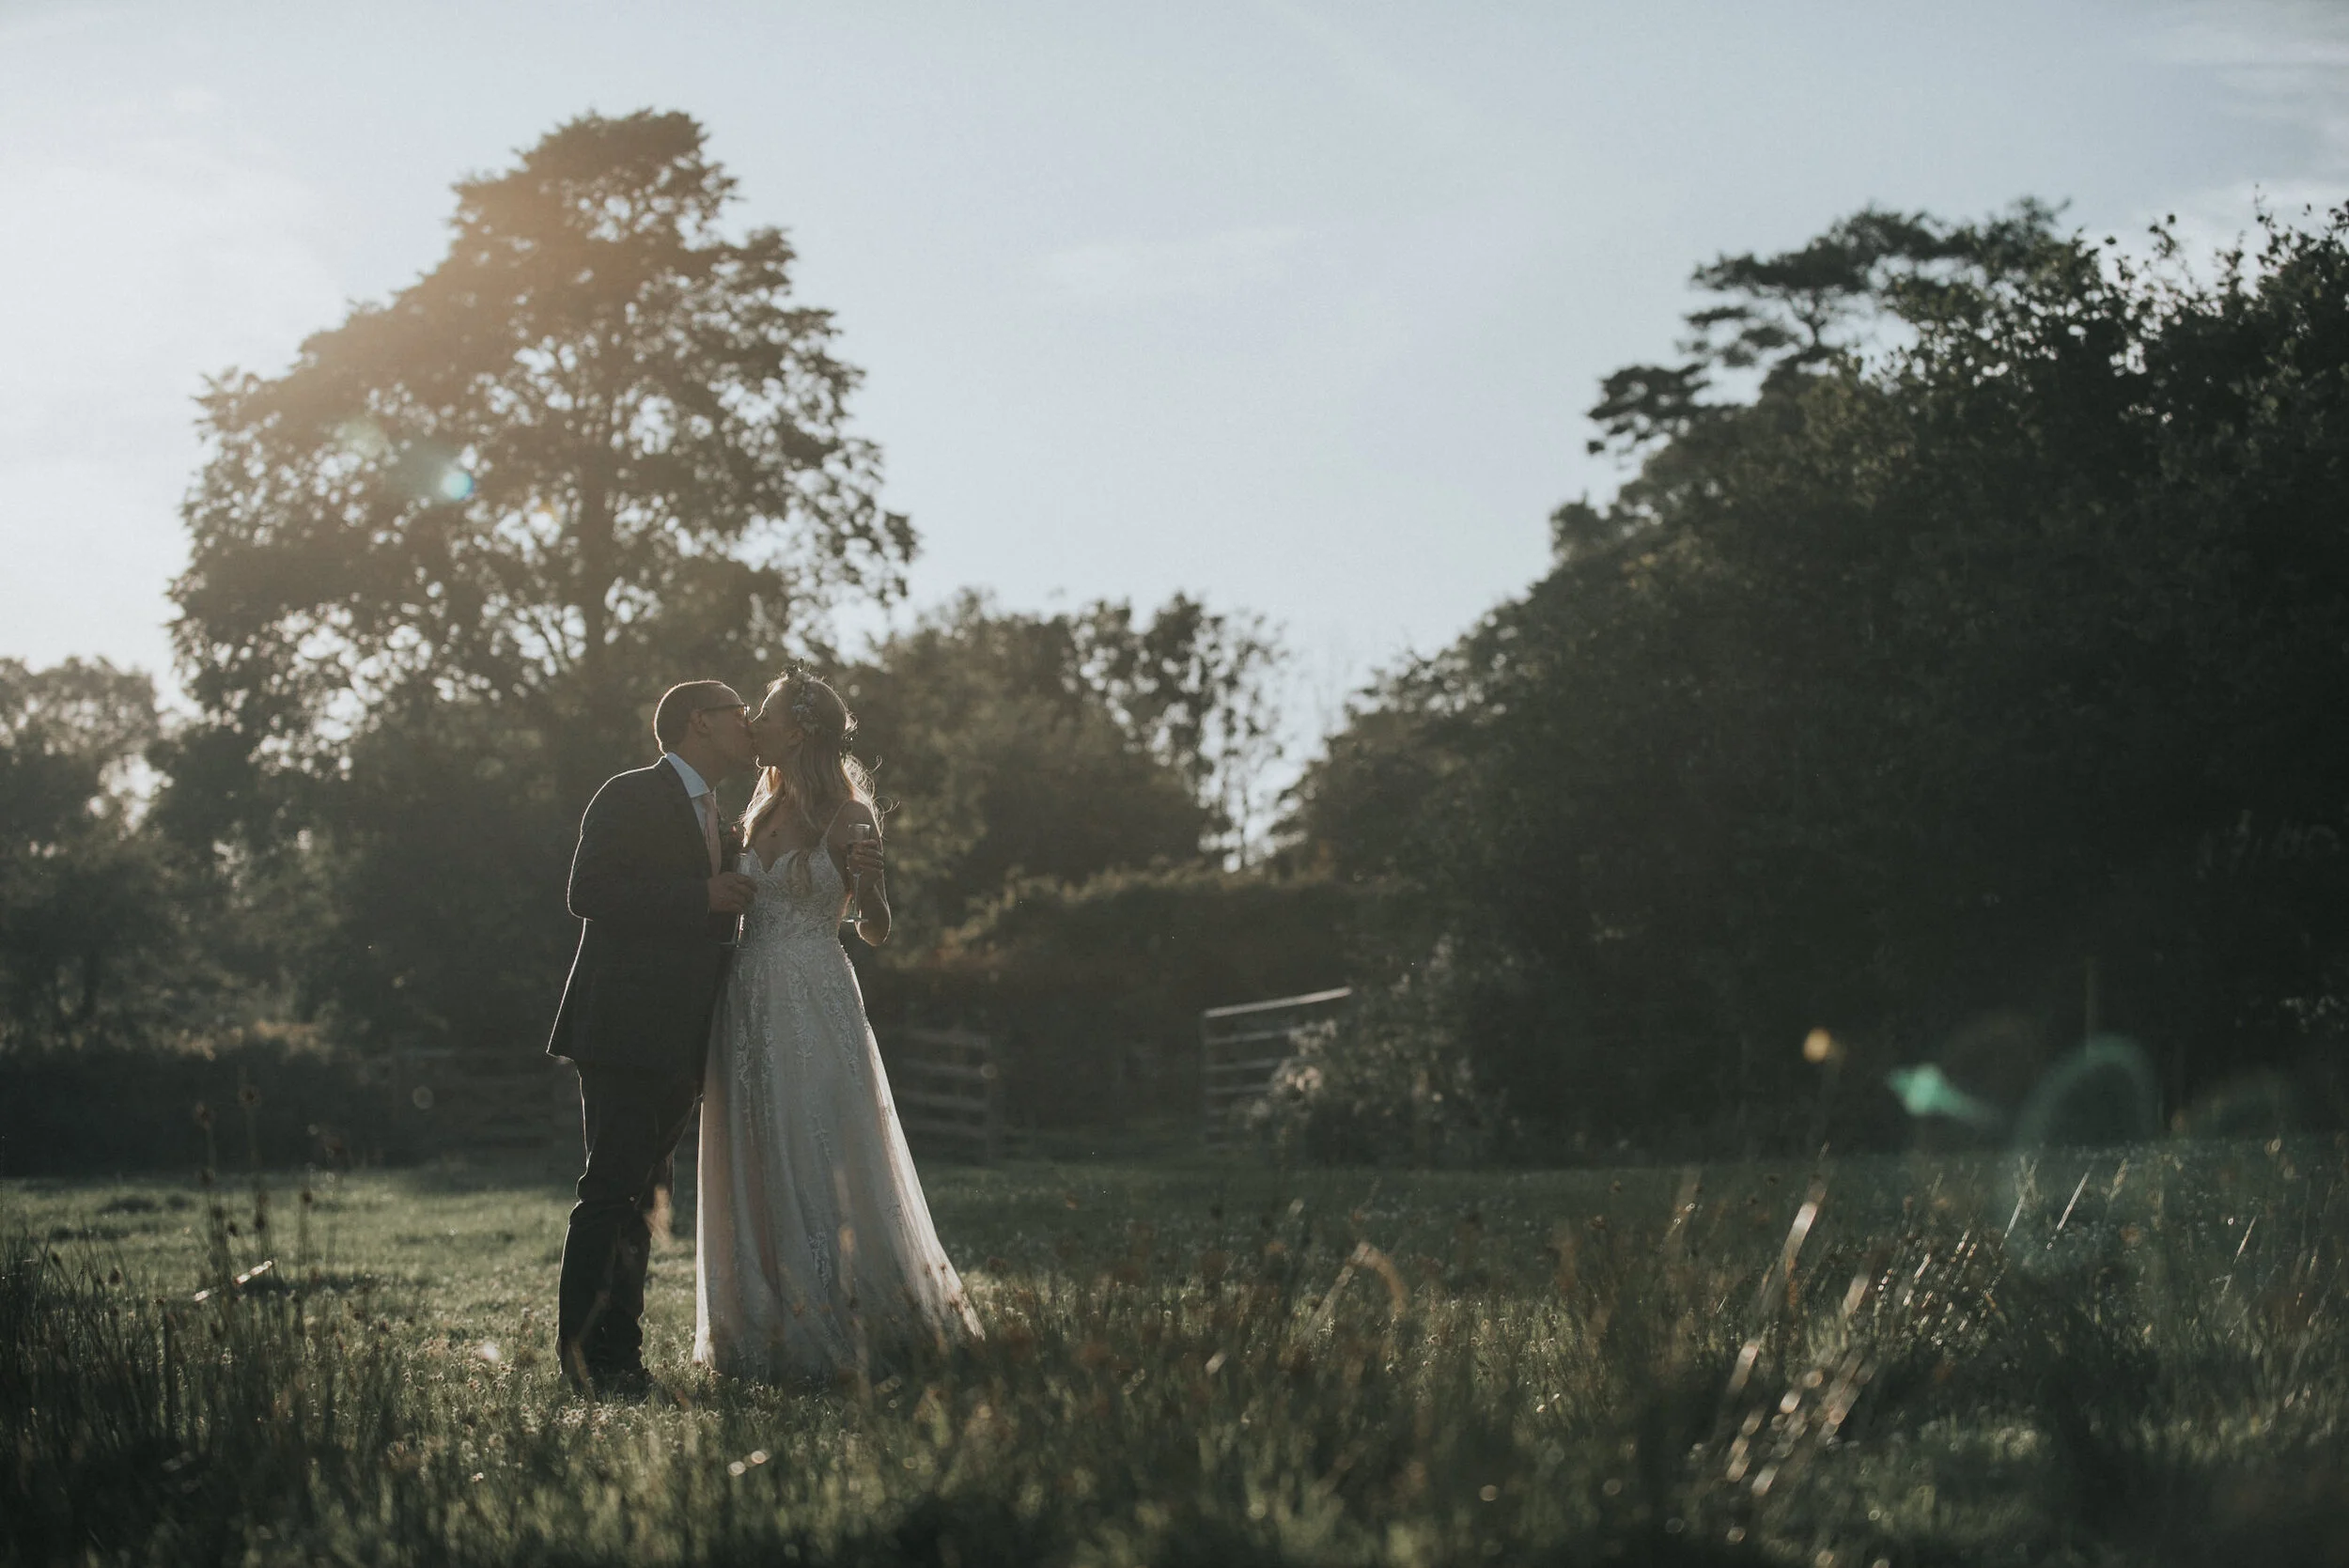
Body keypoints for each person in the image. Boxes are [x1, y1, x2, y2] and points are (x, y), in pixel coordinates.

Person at [694, 668, 981, 1384]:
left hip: (816, 995)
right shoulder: (755, 813)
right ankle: (759, 1323)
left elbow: (876, 930)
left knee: (820, 1141)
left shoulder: (851, 817)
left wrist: (875, 887)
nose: (750, 725)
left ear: (796, 729)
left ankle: (845, 1317)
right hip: (749, 993)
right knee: (754, 1148)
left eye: (759, 715)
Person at [546, 679, 759, 1399]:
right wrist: (699, 896)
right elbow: (589, 890)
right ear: (700, 723)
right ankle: (584, 1363)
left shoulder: (718, 812)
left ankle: (621, 1358)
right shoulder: (630, 792)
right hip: (623, 1027)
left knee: (642, 1200)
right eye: (740, 713)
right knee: (610, 1193)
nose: (751, 723)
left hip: (678, 1036)